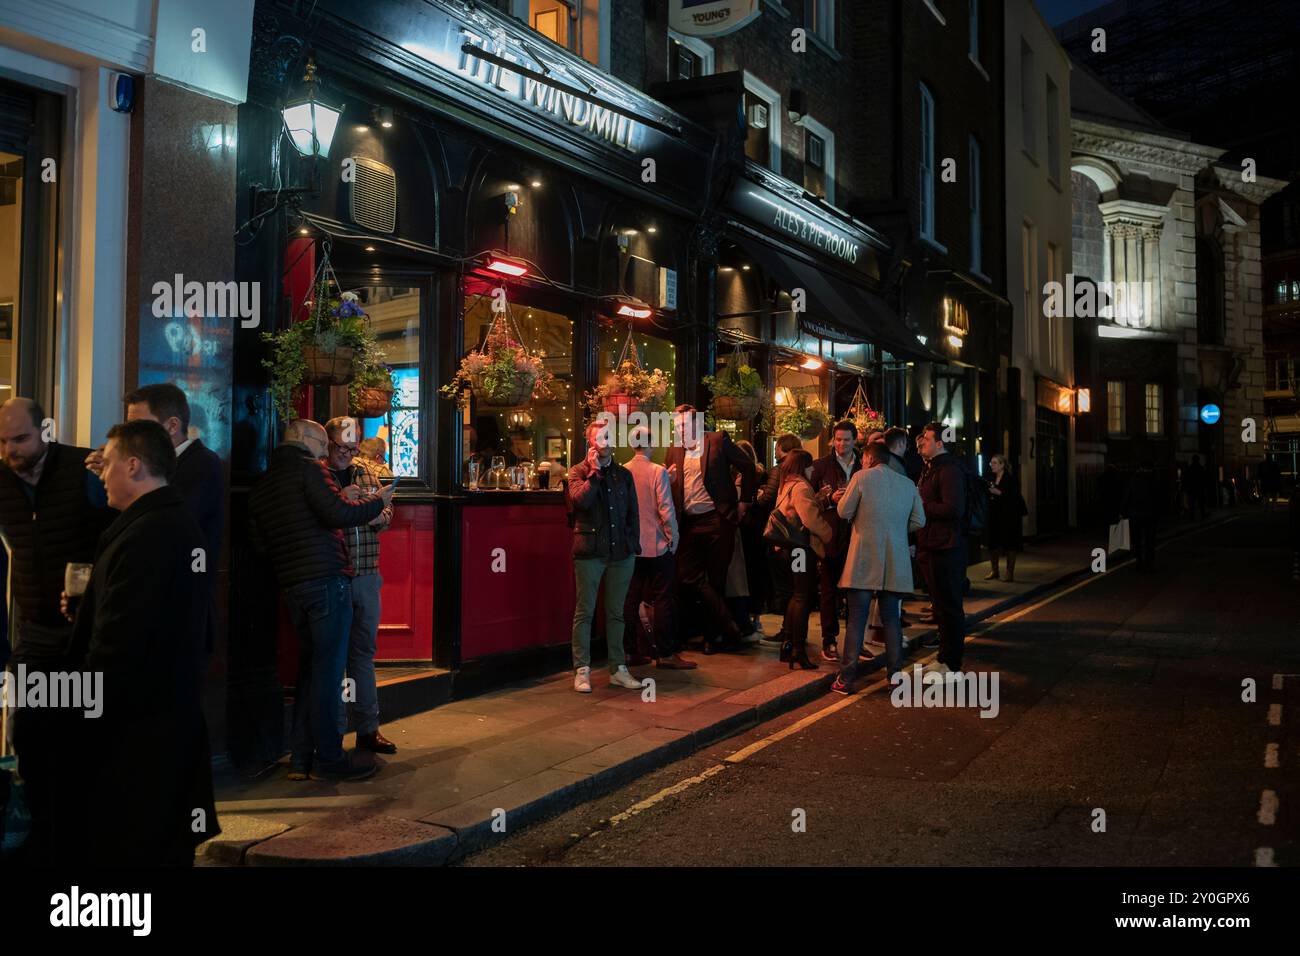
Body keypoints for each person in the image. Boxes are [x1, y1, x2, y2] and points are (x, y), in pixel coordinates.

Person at [62, 419, 218, 865]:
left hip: (142, 741)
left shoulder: (152, 531)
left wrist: (79, 711)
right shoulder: (157, 523)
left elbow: (121, 644)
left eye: (107, 464)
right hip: (158, 733)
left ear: (133, 465)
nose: (102, 474)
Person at [0, 397, 115, 862]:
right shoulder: (2, 480)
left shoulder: (84, 468)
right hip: (34, 628)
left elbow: (118, 531)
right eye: (4, 440)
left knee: (84, 731)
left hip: (86, 628)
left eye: (21, 438)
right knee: (27, 729)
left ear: (45, 430)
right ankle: (43, 832)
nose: (11, 449)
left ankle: (85, 833)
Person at [249, 419, 395, 781]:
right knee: (330, 673)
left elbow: (260, 542)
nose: (327, 452)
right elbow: (338, 515)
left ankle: (301, 759)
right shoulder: (309, 471)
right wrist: (378, 500)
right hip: (327, 580)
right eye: (324, 444)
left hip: (292, 585)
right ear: (310, 440)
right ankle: (330, 759)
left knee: (310, 670)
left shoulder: (264, 482)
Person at [87, 383, 226, 654]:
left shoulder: (203, 463)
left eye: (139, 426)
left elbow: (166, 522)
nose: (130, 435)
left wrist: (124, 480)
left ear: (172, 425)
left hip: (180, 610)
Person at [324, 417, 396, 754]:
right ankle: (334, 734)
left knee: (364, 654)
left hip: (367, 572)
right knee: (334, 659)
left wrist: (379, 514)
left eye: (353, 448)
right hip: (334, 575)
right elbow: (316, 515)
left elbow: (387, 512)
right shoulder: (318, 474)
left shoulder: (366, 471)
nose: (348, 454)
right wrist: (342, 499)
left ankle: (368, 730)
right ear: (328, 443)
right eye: (342, 447)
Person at [833, 443, 926, 692]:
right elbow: (920, 520)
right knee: (892, 620)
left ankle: (846, 678)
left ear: (868, 458)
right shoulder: (907, 484)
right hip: (894, 560)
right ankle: (895, 674)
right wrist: (895, 530)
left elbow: (843, 512)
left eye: (863, 458)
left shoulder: (861, 477)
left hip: (863, 558)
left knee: (856, 620)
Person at [664, 404, 757, 655]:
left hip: (717, 518)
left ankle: (711, 636)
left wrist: (744, 501)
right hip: (689, 522)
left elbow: (748, 467)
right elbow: (669, 483)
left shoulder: (716, 440)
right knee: (686, 576)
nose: (680, 430)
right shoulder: (674, 449)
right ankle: (730, 626)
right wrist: (667, 480)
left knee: (715, 580)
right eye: (677, 426)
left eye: (683, 425)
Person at [567, 419, 644, 692]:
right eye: (600, 437)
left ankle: (618, 668)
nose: (605, 441)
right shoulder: (578, 472)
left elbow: (633, 514)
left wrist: (633, 543)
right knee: (584, 612)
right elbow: (581, 502)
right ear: (591, 443)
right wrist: (594, 474)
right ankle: (582, 670)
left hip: (621, 552)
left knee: (616, 613)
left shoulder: (624, 475)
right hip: (590, 552)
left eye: (609, 436)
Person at [622, 425, 694, 669]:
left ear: (632, 445)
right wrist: (673, 538)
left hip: (632, 546)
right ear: (651, 444)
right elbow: (666, 508)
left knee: (630, 598)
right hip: (656, 545)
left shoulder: (624, 471)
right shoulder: (657, 471)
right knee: (663, 597)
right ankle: (665, 653)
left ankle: (630, 652)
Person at [773, 449, 833, 670]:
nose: (812, 470)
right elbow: (809, 519)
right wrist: (828, 534)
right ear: (802, 466)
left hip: (788, 549)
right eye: (809, 466)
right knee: (802, 598)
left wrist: (817, 498)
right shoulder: (800, 486)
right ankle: (798, 649)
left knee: (795, 596)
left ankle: (788, 645)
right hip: (801, 550)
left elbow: (796, 511)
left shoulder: (787, 484)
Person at [915, 422, 968, 675]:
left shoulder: (948, 470)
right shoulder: (932, 468)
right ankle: (944, 657)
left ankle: (951, 663)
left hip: (945, 547)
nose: (921, 441)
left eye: (925, 438)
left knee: (948, 607)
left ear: (940, 443)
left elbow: (953, 509)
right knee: (941, 606)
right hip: (933, 545)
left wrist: (921, 505)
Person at [809, 420, 861, 661]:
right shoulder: (820, 466)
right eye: (838, 439)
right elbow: (810, 501)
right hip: (830, 536)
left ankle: (855, 643)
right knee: (828, 590)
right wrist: (829, 498)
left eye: (846, 440)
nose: (841, 444)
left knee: (856, 592)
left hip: (858, 536)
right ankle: (829, 641)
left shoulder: (864, 466)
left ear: (855, 440)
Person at [757, 434, 803, 647]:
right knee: (798, 587)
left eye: (777, 447)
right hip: (800, 543)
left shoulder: (779, 472)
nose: (774, 450)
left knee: (786, 587)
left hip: (782, 541)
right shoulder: (803, 473)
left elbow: (768, 500)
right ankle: (793, 633)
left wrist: (759, 495)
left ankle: (788, 633)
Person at [984, 453, 1027, 582]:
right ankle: (994, 571)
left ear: (1002, 465)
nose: (992, 465)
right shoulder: (990, 478)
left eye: (995, 463)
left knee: (1010, 544)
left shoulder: (1010, 478)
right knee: (992, 543)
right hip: (994, 514)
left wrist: (998, 492)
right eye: (991, 463)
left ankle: (1009, 573)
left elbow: (1013, 497)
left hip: (1009, 516)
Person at [1123, 460, 1159, 571]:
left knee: (1137, 539)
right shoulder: (1153, 480)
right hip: (1149, 514)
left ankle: (1138, 561)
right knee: (1149, 540)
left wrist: (1122, 512)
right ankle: (1149, 562)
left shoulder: (1134, 480)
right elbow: (1158, 498)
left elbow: (1127, 496)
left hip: (1135, 514)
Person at [1182, 454, 1207, 521]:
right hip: (1199, 488)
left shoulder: (1190, 468)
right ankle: (1203, 515)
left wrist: (1185, 488)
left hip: (1192, 489)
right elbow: (1204, 479)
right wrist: (1204, 487)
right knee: (1201, 503)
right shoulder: (1201, 468)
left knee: (1192, 504)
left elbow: (1186, 479)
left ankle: (1192, 517)